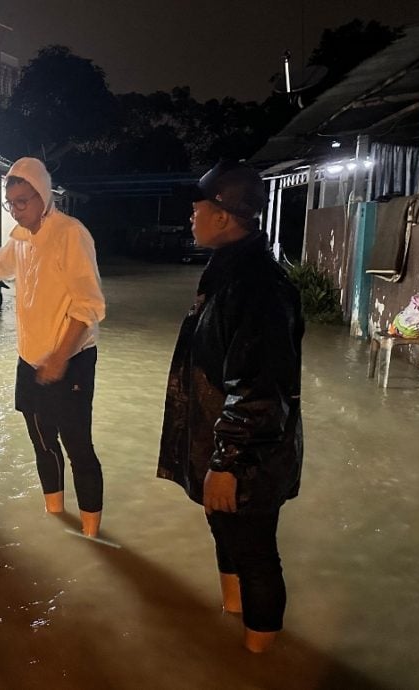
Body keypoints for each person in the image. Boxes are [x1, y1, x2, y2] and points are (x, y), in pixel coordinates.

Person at [156, 160, 304, 653]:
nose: (190, 218)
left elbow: (261, 387)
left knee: (256, 552)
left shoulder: (258, 286)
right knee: (227, 534)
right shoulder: (227, 272)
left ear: (222, 216)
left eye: (197, 209)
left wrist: (229, 462)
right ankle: (233, 627)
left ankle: (259, 664)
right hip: (225, 447)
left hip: (248, 457)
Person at [0, 158, 106, 537]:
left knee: (79, 448)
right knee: (42, 442)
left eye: (23, 201)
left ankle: (93, 537)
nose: (16, 210)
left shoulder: (71, 234)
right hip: (31, 360)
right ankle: (55, 518)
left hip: (72, 360)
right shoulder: (21, 238)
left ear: (44, 196)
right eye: (11, 203)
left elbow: (89, 306)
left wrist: (60, 357)